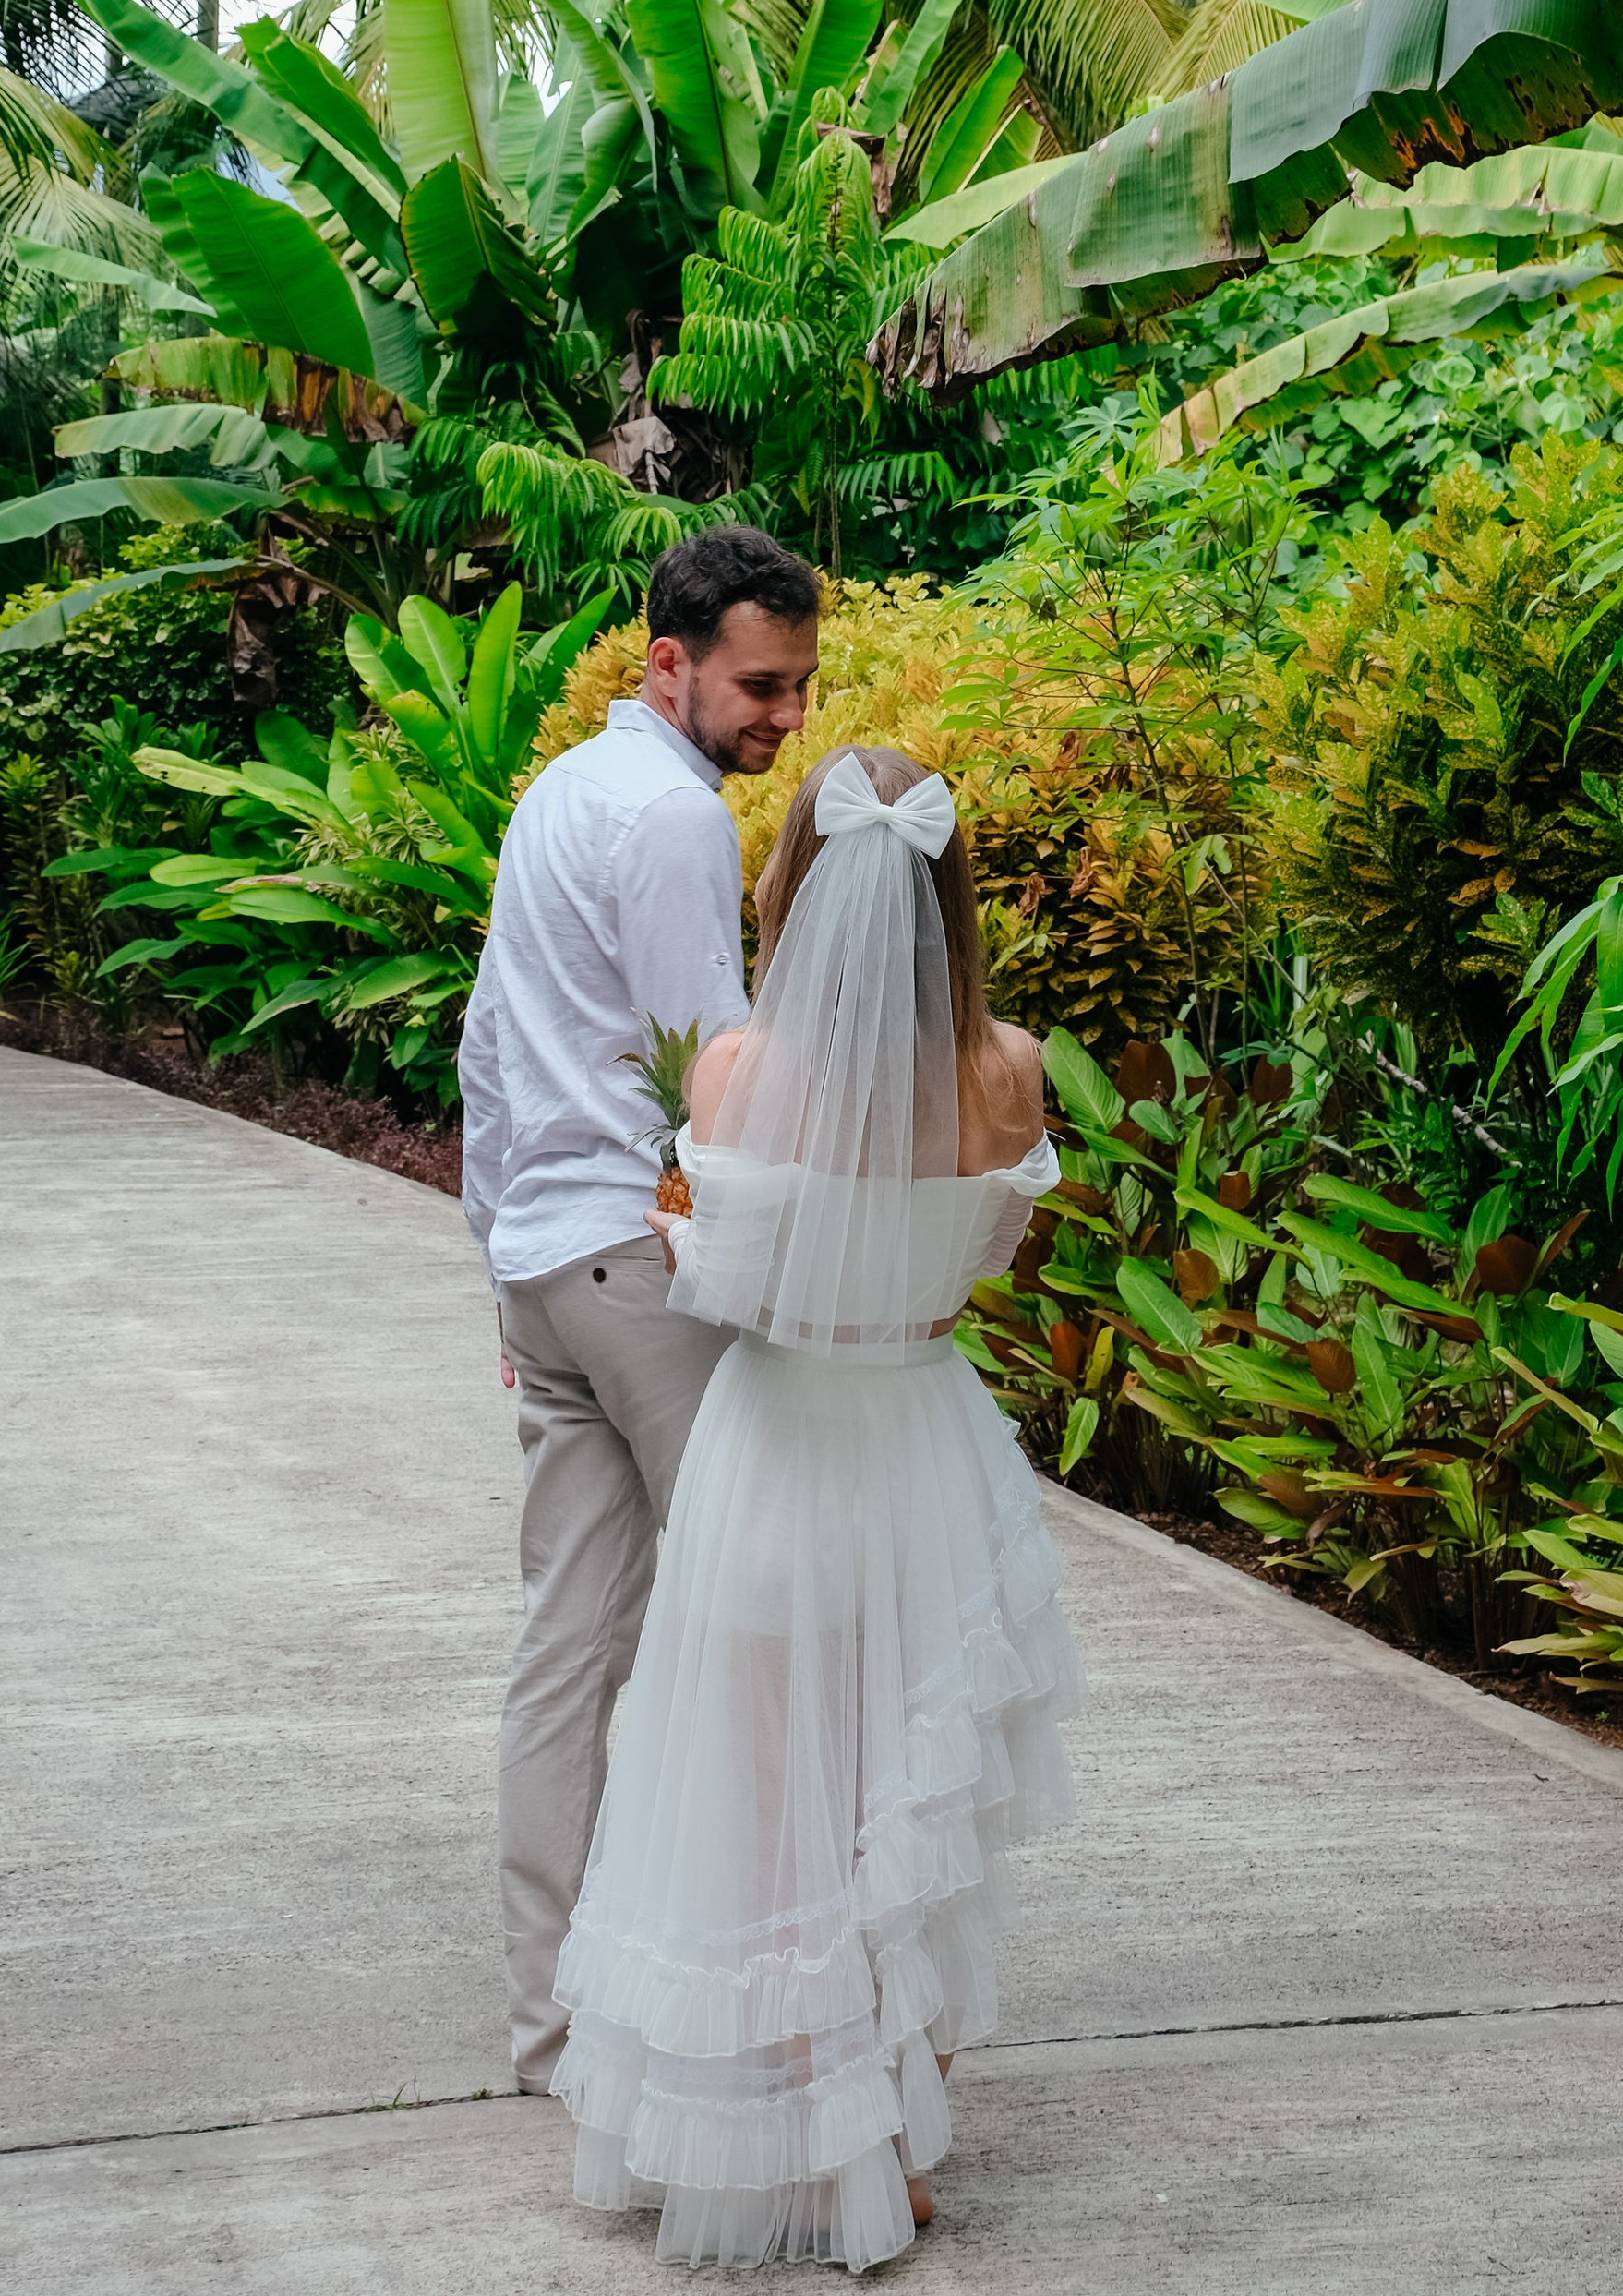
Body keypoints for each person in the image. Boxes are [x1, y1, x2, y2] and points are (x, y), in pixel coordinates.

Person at [549, 742, 1084, 2273]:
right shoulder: (1009, 1070)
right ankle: (895, 2136)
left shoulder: (733, 1072)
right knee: (895, 1801)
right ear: (952, 889)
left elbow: (725, 1281)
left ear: (791, 879)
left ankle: (806, 2121)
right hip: (923, 1442)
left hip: (779, 1446)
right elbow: (993, 1266)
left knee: (774, 1799)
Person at [460, 527, 824, 2097]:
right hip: (642, 1270)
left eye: (803, 685)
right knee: (757, 1638)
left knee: (569, 1650)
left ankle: (550, 2030)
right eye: (759, 683)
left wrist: (500, 1264)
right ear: (665, 661)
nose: (785, 715)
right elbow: (718, 1084)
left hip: (549, 1268)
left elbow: (486, 1047)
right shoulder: (674, 823)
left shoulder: (553, 795)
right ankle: (750, 2014)